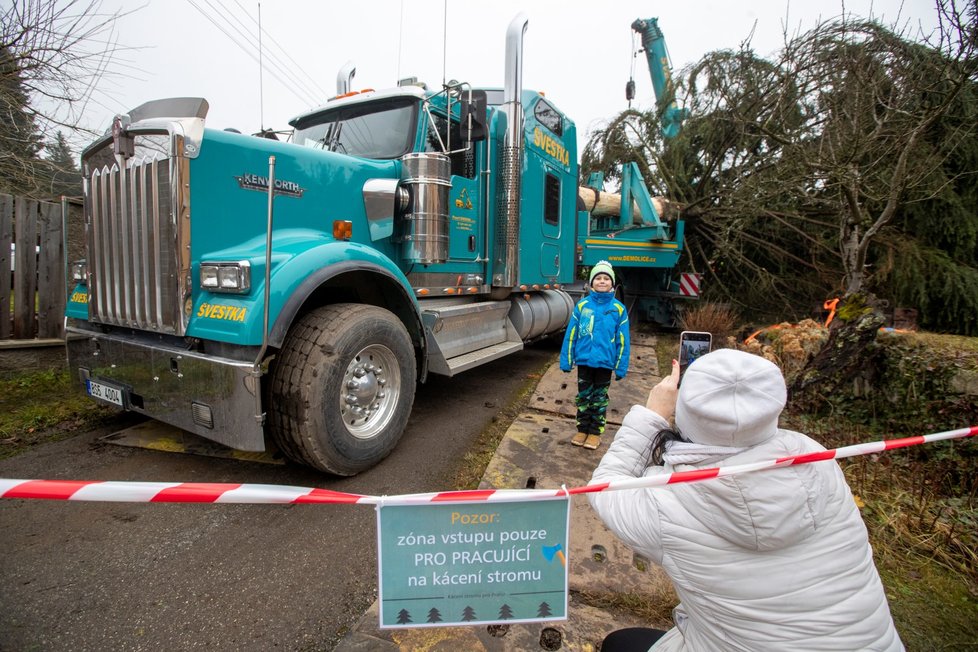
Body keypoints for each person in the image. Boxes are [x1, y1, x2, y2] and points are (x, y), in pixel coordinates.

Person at [588, 349, 904, 651]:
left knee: (621, 643)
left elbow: (604, 488)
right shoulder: (818, 460)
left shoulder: (666, 502)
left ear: (684, 410)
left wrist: (652, 413)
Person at [560, 260, 630, 450]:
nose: (601, 281)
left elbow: (623, 340)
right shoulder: (582, 306)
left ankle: (594, 433)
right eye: (597, 278)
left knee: (599, 399)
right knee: (583, 397)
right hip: (584, 361)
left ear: (612, 285)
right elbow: (571, 334)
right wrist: (566, 359)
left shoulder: (618, 309)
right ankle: (582, 429)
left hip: (605, 364)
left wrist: (621, 366)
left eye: (606, 278)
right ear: (591, 284)